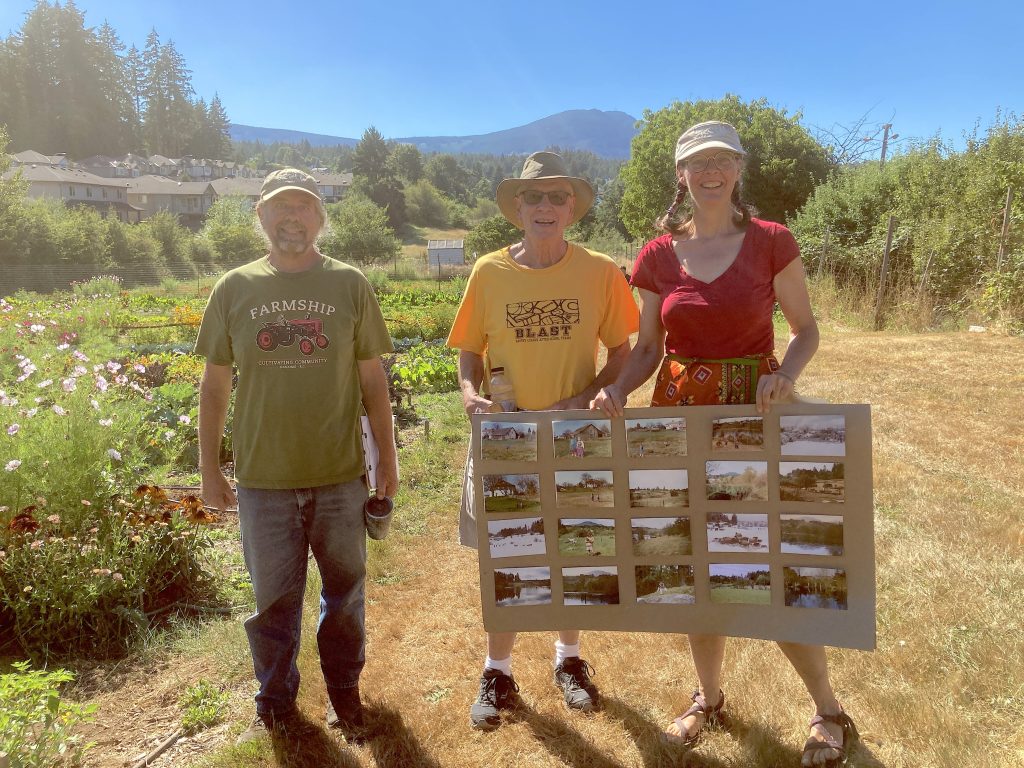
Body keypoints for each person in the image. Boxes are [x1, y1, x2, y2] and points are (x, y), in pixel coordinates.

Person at [590, 122, 858, 767]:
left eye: (722, 160)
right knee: (690, 571)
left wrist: (785, 376)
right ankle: (708, 699)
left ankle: (828, 708)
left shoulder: (771, 242)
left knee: (773, 568)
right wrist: (619, 390)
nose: (710, 170)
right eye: (696, 162)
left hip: (753, 423)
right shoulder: (656, 255)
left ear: (738, 168)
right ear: (680, 174)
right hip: (675, 424)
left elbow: (805, 329)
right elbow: (652, 349)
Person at [196, 168, 398, 745]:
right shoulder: (234, 287)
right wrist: (211, 469)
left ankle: (344, 694)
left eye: (303, 207)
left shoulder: (349, 283)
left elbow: (372, 381)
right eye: (279, 207)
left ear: (320, 217)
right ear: (260, 216)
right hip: (264, 480)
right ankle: (277, 702)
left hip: (340, 477)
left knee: (346, 596)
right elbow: (214, 387)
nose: (292, 217)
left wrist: (387, 457)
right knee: (274, 605)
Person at [447, 151, 639, 730]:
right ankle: (497, 670)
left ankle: (569, 660)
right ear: (518, 209)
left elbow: (624, 354)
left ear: (573, 208)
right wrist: (467, 393)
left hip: (575, 438)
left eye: (558, 197)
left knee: (574, 548)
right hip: (505, 437)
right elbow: (469, 352)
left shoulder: (601, 271)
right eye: (535, 197)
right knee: (506, 553)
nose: (546, 207)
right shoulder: (488, 271)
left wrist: (588, 399)